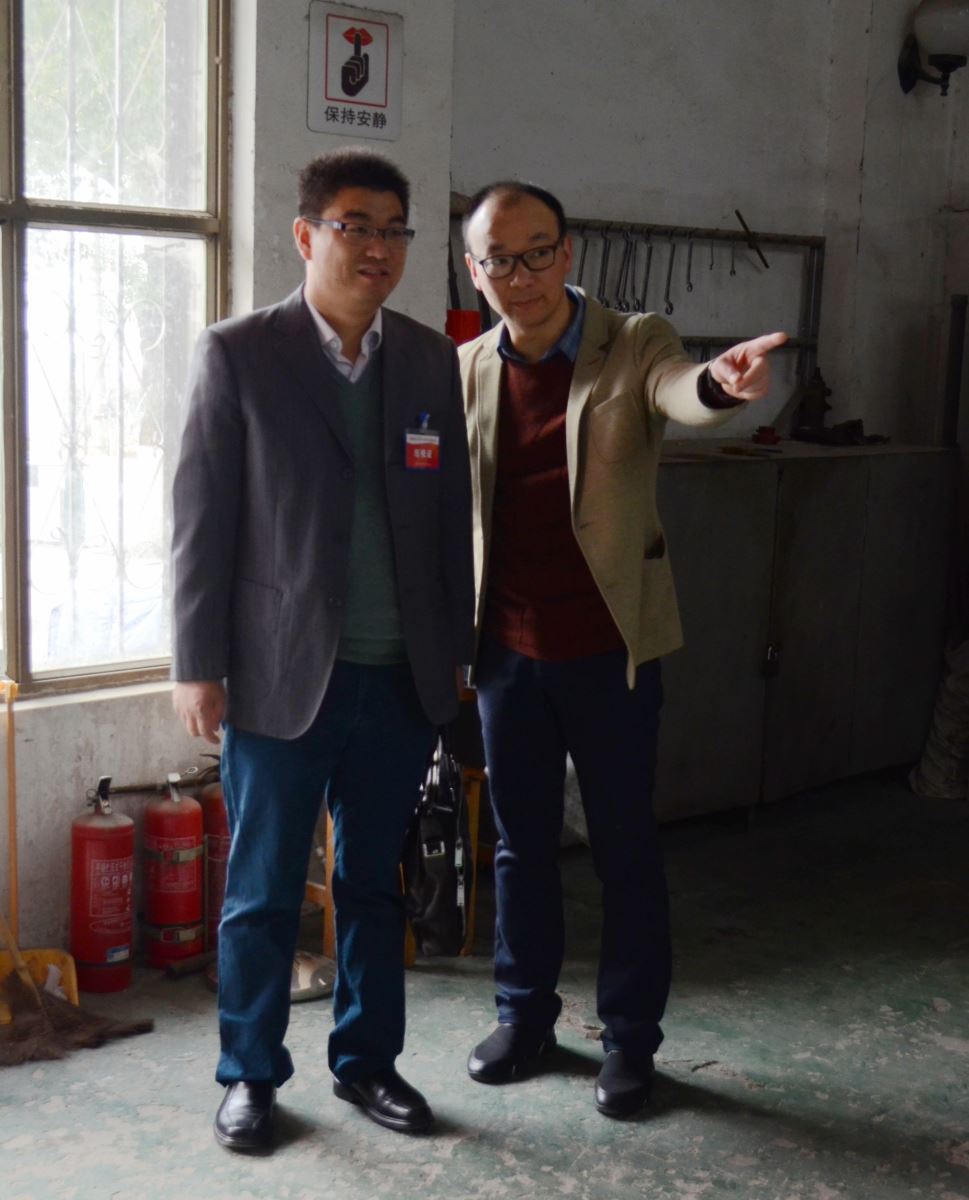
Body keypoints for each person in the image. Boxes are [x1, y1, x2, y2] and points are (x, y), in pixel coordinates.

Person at [458, 181, 786, 1117]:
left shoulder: (632, 341)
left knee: (624, 847)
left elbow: (680, 390)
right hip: (506, 652)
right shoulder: (466, 365)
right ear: (474, 271)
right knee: (519, 847)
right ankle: (524, 1017)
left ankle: (631, 1041)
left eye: (536, 252)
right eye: (497, 259)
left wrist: (720, 383)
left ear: (566, 254)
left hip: (610, 650)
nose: (519, 274)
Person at [171, 148, 474, 1151]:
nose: (376, 247)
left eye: (393, 230)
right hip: (277, 674)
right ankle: (250, 1075)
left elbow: (450, 517)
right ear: (306, 235)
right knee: (261, 891)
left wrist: (454, 651)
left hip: (399, 676)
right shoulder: (239, 353)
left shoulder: (428, 359)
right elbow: (201, 520)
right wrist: (195, 664)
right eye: (355, 226)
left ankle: (368, 1062)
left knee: (374, 884)